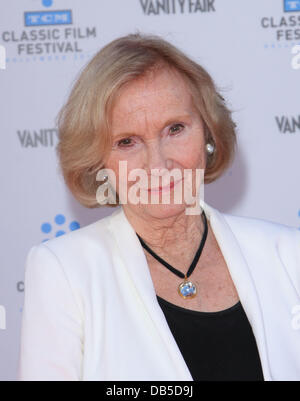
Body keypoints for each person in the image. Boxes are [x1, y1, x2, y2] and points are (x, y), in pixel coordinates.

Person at [18, 33, 300, 381]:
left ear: (208, 134)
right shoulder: (64, 271)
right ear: (98, 161)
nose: (158, 164)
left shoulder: (288, 255)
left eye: (175, 129)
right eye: (127, 142)